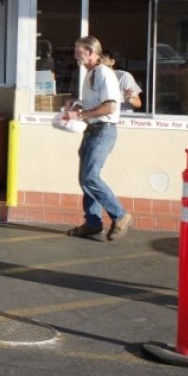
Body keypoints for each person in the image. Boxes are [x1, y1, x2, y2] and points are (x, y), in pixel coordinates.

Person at [64, 36, 132, 240]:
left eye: (79, 50)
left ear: (92, 52)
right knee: (85, 179)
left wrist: (80, 114)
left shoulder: (104, 73)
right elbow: (94, 102)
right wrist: (76, 103)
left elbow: (110, 106)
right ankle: (93, 223)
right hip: (93, 130)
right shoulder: (91, 74)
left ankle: (120, 215)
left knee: (90, 177)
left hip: (104, 130)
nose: (75, 54)